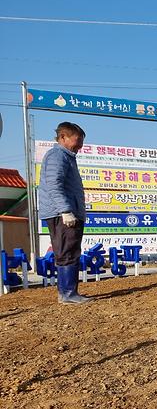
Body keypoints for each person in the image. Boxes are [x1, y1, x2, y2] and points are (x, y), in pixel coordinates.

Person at [38, 122, 90, 304]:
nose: (79, 146)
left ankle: (67, 292)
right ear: (63, 138)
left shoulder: (66, 156)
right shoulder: (58, 155)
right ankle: (68, 293)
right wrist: (66, 211)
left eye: (81, 142)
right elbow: (54, 184)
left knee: (68, 250)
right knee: (68, 251)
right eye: (77, 141)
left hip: (64, 211)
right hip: (62, 214)